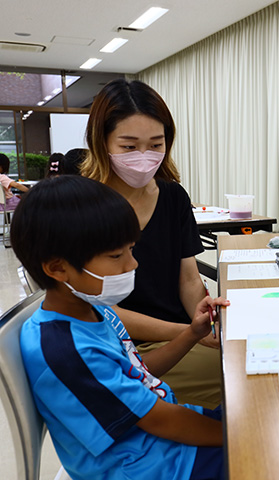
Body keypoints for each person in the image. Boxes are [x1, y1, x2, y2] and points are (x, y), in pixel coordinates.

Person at [12, 175, 228, 479]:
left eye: (130, 250)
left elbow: (137, 372)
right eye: (116, 256)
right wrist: (240, 437)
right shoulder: (64, 349)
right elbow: (161, 422)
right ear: (58, 268)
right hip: (147, 466)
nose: (132, 264)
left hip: (160, 443)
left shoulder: (95, 310)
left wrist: (191, 332)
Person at [81, 79, 222, 409]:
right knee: (242, 378)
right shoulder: (83, 205)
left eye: (156, 145)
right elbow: (97, 309)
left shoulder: (172, 195)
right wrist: (186, 334)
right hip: (120, 346)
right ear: (101, 142)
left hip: (179, 334)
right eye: (129, 147)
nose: (143, 157)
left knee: (249, 360)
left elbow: (188, 279)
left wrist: (206, 327)